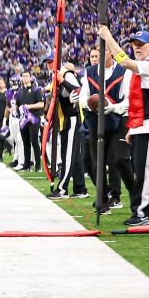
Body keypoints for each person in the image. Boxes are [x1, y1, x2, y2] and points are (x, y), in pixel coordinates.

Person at [97, 26, 149, 226]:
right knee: (145, 170)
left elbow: (125, 61)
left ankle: (145, 212)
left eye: (140, 44)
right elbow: (139, 102)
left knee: (146, 171)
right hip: (142, 126)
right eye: (134, 45)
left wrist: (108, 37)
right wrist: (132, 129)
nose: (136, 48)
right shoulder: (144, 67)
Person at [80, 47, 134, 215]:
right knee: (96, 163)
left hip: (118, 120)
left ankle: (136, 199)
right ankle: (102, 200)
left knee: (119, 159)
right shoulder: (89, 72)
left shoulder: (124, 72)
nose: (99, 56)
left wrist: (112, 107)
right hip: (96, 120)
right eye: (95, 54)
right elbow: (84, 97)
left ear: (111, 52)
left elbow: (128, 100)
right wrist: (89, 104)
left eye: (103, 51)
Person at [48, 59, 88, 199]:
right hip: (64, 119)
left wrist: (62, 80)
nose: (49, 64)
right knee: (74, 155)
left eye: (51, 61)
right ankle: (80, 188)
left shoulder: (66, 74)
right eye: (47, 62)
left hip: (70, 118)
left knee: (67, 155)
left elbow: (78, 90)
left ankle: (62, 189)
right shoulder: (55, 75)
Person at [14, 71, 44, 171]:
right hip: (23, 120)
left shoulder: (36, 89)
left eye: (27, 76)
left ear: (30, 77)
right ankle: (27, 165)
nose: (25, 78)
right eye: (23, 76)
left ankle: (38, 165)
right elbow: (17, 104)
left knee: (34, 141)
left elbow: (41, 104)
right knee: (25, 142)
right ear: (21, 78)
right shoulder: (19, 91)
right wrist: (14, 108)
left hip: (34, 119)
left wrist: (29, 106)